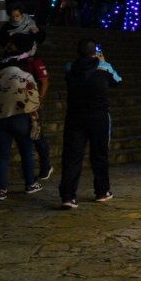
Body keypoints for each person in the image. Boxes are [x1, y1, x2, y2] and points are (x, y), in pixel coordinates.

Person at [59, 39, 122, 209]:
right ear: (95, 52)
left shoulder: (70, 67)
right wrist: (102, 61)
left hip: (75, 115)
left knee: (72, 156)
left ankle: (68, 196)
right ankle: (102, 191)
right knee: (99, 154)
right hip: (98, 116)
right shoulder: (104, 66)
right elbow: (117, 81)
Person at [0, 46, 41, 201]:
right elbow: (34, 100)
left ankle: (1, 190)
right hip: (20, 117)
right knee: (26, 152)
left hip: (0, 119)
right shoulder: (26, 76)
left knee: (2, 155)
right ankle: (30, 184)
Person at [0, 32, 53, 186]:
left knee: (36, 136)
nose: (8, 46)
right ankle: (29, 181)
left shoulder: (33, 63)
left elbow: (44, 82)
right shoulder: (9, 61)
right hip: (15, 106)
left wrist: (37, 102)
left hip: (28, 105)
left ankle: (45, 166)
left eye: (12, 43)